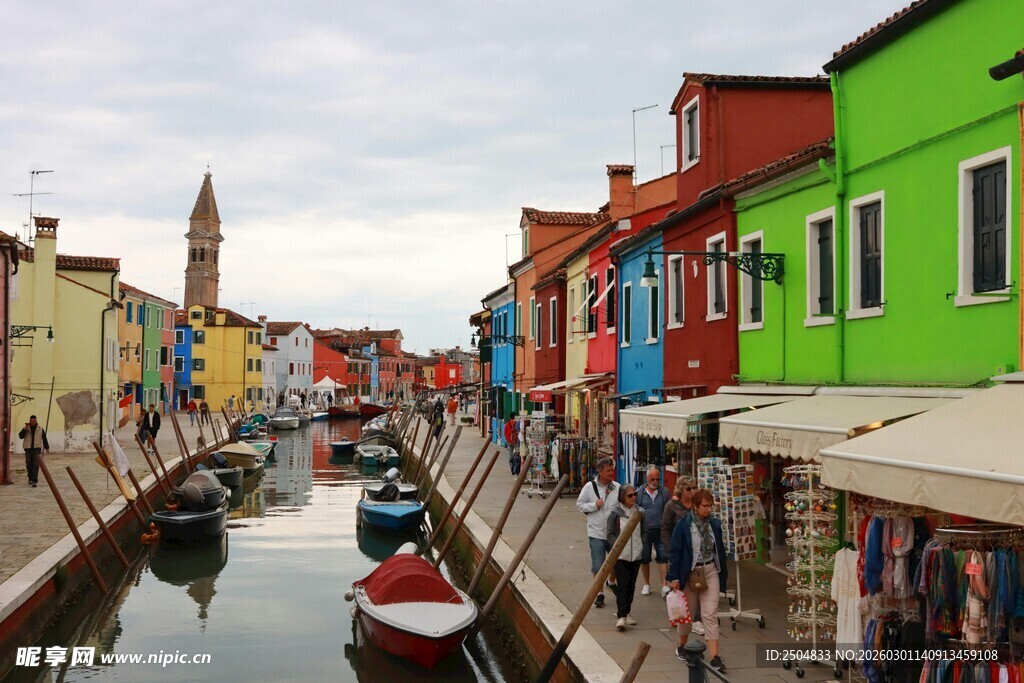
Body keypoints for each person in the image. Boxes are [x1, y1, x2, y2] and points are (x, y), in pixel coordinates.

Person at [667, 488, 728, 673]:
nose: (708, 509)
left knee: (710, 614)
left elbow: (720, 551)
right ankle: (682, 644)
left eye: (710, 506)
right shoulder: (684, 525)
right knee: (688, 615)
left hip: (710, 570)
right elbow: (675, 551)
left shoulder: (715, 525)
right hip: (690, 573)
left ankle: (715, 657)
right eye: (705, 506)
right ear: (695, 506)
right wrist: (674, 577)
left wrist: (723, 572)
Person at [575, 457, 621, 609]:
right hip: (596, 532)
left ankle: (611, 581)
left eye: (612, 470)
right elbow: (580, 505)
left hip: (613, 533)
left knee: (615, 562)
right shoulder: (589, 487)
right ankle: (599, 593)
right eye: (608, 470)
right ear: (600, 472)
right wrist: (595, 505)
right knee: (597, 565)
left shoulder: (617, 487)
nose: (611, 473)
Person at [662, 477, 702, 634]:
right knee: (677, 587)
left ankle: (696, 619)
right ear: (681, 490)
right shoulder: (671, 506)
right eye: (689, 489)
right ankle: (676, 614)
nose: (692, 491)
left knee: (697, 586)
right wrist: (669, 549)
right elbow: (665, 528)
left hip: (696, 554)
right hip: (678, 554)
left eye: (694, 488)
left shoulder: (697, 505)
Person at [607, 484, 645, 631]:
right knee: (622, 585)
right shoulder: (615, 513)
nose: (634, 497)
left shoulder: (640, 512)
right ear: (622, 497)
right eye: (630, 495)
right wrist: (616, 546)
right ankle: (621, 616)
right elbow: (609, 534)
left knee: (631, 585)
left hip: (636, 554)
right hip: (621, 556)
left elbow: (644, 531)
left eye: (635, 494)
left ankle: (627, 611)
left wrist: (643, 546)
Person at [637, 467, 671, 598]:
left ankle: (664, 585)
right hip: (645, 530)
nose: (655, 481)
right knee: (645, 557)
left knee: (663, 556)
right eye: (653, 479)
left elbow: (668, 510)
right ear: (647, 479)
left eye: (658, 479)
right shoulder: (639, 493)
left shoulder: (665, 492)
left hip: (660, 530)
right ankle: (646, 584)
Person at [19, 415, 49, 487]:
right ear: (30, 421)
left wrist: (47, 447)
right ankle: (30, 477)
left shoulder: (40, 429)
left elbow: (44, 438)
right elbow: (20, 436)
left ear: (36, 421)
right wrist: (24, 430)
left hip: (36, 449)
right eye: (32, 421)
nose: (33, 422)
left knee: (36, 465)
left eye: (34, 421)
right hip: (28, 449)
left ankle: (34, 480)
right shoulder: (26, 428)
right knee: (28, 464)